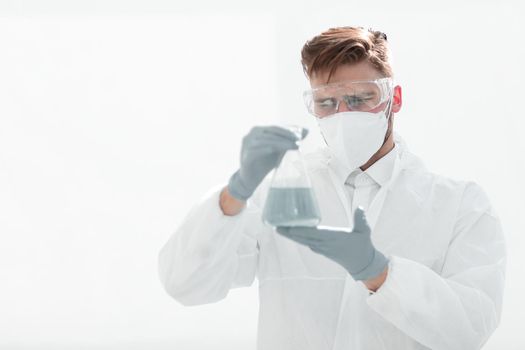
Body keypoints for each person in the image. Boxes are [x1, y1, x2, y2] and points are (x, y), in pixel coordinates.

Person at [158, 26, 506, 350]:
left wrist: (379, 272)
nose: (344, 114)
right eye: (327, 102)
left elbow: (470, 328)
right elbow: (186, 284)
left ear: (394, 99)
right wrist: (236, 191)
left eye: (360, 98)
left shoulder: (459, 206)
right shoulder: (281, 197)